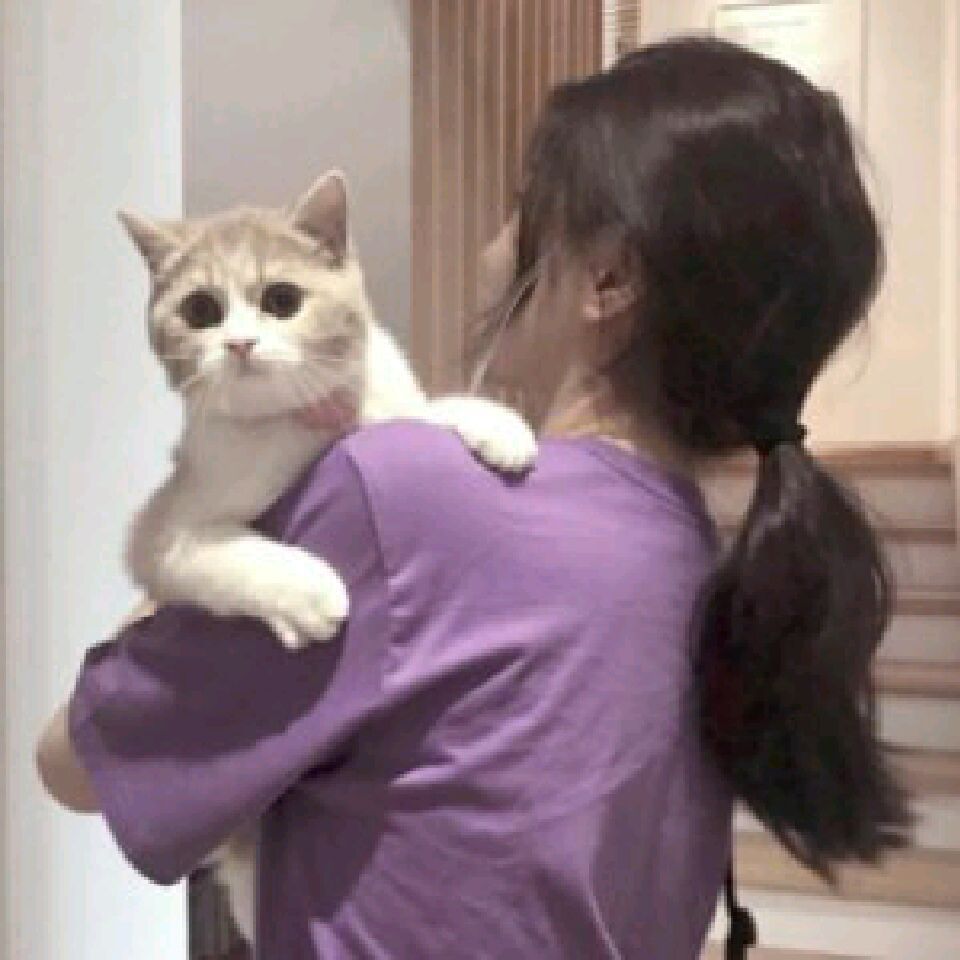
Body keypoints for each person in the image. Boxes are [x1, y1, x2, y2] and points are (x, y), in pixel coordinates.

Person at [37, 37, 911, 959]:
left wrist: (245, 500)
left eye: (520, 208)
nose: (495, 247)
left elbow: (74, 759)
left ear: (607, 279)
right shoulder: (694, 555)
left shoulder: (410, 500)